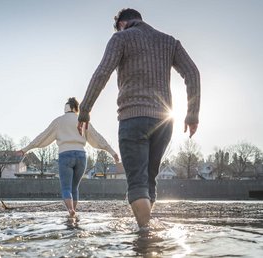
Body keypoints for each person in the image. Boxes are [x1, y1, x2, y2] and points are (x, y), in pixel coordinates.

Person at [77, 8, 200, 228]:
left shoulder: (121, 38)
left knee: (136, 182)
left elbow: (102, 72)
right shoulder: (169, 41)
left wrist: (84, 110)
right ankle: (148, 232)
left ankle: (146, 236)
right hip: (164, 122)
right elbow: (192, 73)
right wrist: (192, 114)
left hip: (133, 118)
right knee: (149, 179)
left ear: (122, 24)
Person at [18, 97, 119, 220]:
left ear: (66, 108)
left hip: (65, 155)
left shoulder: (58, 121)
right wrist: (112, 152)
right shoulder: (82, 121)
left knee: (66, 188)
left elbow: (43, 136)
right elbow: (97, 138)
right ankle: (74, 211)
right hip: (81, 156)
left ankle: (70, 210)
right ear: (76, 108)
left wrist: (26, 149)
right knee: (74, 187)